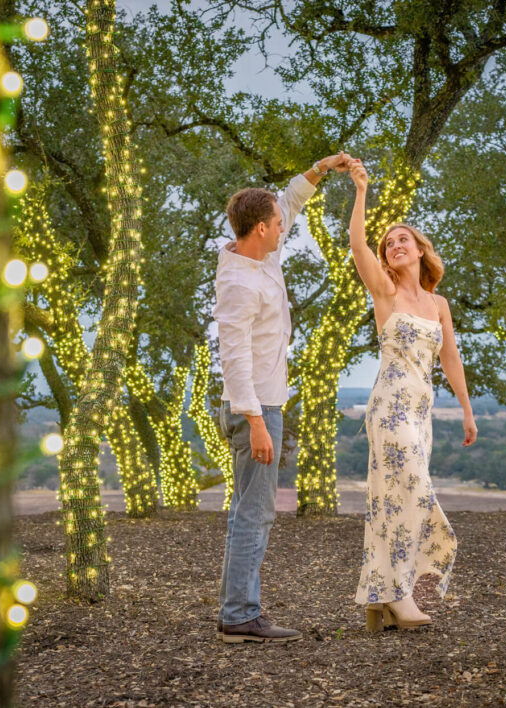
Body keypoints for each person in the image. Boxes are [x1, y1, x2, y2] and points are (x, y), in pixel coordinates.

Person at [214, 152, 353, 643]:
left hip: (262, 406)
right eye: (276, 224)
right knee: (254, 515)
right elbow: (233, 358)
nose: (283, 227)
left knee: (249, 513)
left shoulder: (261, 254)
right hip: (254, 409)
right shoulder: (238, 282)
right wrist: (255, 421)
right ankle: (240, 616)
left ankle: (238, 611)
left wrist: (320, 169)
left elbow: (289, 203)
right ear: (259, 229)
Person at [346, 159, 478, 631]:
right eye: (389, 243)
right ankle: (398, 595)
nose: (395, 245)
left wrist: (466, 411)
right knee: (414, 493)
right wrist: (362, 190)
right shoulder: (384, 291)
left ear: (421, 250)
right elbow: (357, 244)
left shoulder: (438, 304)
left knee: (391, 499)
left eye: (403, 239)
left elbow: (451, 359)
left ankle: (379, 594)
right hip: (389, 407)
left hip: (422, 411)